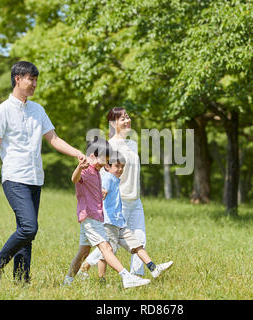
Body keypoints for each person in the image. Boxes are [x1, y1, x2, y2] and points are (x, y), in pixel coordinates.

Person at [0, 61, 87, 288]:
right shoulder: (2, 111)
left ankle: (21, 283)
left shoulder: (38, 110)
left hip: (36, 178)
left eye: (36, 80)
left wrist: (78, 154)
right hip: (14, 177)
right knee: (29, 226)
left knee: (26, 234)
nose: (34, 84)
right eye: (31, 79)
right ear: (18, 79)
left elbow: (53, 139)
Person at [62, 138, 150, 289]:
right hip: (89, 216)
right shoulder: (86, 169)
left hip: (95, 216)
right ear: (93, 155)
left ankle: (67, 282)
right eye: (105, 158)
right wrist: (79, 168)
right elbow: (74, 179)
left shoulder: (97, 172)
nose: (106, 162)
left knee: (83, 251)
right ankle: (126, 277)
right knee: (106, 248)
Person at [79, 151, 173, 284]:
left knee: (137, 244)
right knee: (106, 254)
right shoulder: (107, 178)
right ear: (107, 166)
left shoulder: (115, 179)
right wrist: (102, 194)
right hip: (109, 222)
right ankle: (101, 280)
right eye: (117, 166)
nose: (120, 169)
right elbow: (103, 191)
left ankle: (153, 267)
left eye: (122, 166)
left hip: (120, 223)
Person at [85, 108, 147, 276]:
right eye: (122, 119)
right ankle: (86, 265)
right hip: (119, 201)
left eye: (128, 117)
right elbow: (103, 175)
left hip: (135, 199)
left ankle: (138, 275)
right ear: (113, 123)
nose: (127, 121)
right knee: (114, 243)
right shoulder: (110, 146)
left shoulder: (132, 144)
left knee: (140, 239)